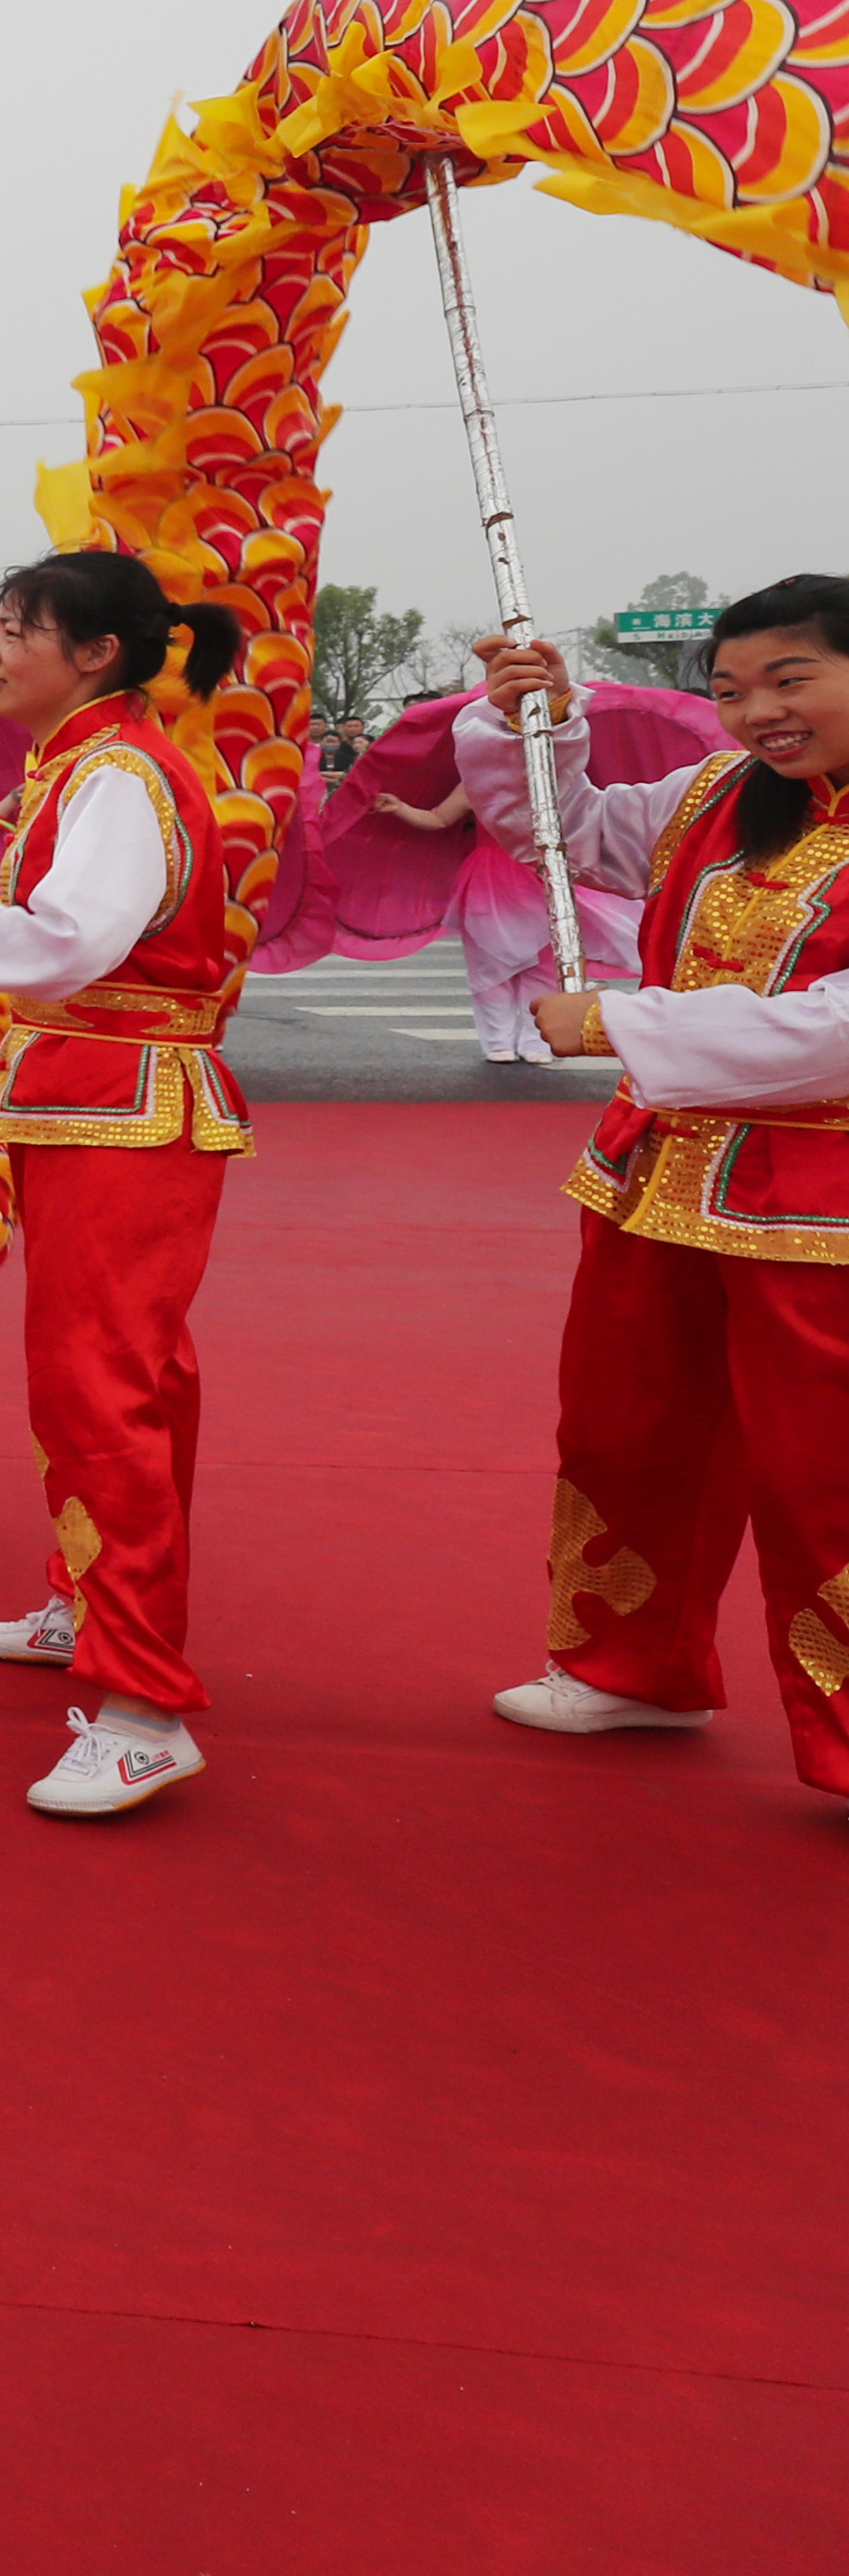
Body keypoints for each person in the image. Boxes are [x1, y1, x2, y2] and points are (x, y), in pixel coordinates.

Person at [0, 550, 254, 1819]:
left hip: (126, 1114)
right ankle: (88, 1596)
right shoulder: (80, 768)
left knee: (105, 1385)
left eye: (16, 629)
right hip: (93, 1109)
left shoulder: (120, 774)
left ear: (95, 653)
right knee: (106, 1378)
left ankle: (143, 1706)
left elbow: (72, 944)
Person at [459, 585, 849, 1799]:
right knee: (628, 1434)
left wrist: (623, 1022)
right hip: (661, 1169)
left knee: (821, 1471)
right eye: (732, 691)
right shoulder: (716, 800)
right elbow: (564, 836)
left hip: (821, 1193)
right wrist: (537, 723)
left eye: (792, 681)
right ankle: (629, 1664)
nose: (760, 714)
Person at [361, 768, 578, 1061]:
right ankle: (498, 1041)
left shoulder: (557, 777)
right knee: (489, 963)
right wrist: (400, 808)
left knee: (543, 965)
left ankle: (536, 1040)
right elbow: (439, 818)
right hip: (489, 876)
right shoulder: (477, 781)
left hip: (542, 873)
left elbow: (582, 827)